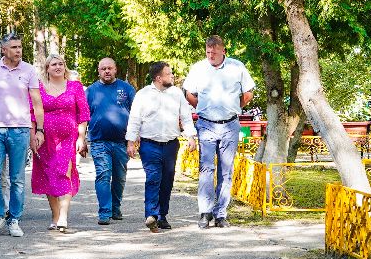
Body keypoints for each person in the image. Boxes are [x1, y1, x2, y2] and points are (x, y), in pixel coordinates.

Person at [0, 34, 45, 238]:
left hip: (20, 130)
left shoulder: (29, 70)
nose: (18, 50)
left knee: (17, 178)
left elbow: (37, 101)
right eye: (14, 47)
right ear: (3, 50)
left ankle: (14, 218)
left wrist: (39, 130)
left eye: (20, 46)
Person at [182, 34, 255, 229]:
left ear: (223, 51)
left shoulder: (237, 67)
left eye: (214, 52)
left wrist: (233, 107)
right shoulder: (198, 68)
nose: (211, 56)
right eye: (208, 52)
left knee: (226, 170)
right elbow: (189, 93)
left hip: (230, 125)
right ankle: (205, 212)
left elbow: (248, 92)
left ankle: (221, 214)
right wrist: (203, 108)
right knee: (206, 168)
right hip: (206, 124)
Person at [126, 61, 193, 232]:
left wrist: (191, 136)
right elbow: (134, 119)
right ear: (158, 78)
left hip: (171, 144)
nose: (172, 76)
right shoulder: (143, 95)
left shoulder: (177, 93)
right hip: (149, 145)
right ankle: (151, 215)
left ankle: (162, 215)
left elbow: (186, 116)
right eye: (168, 74)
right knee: (153, 178)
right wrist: (131, 142)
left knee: (167, 180)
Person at [30, 54, 91, 233]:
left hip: (68, 138)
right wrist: (33, 136)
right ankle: (55, 216)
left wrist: (81, 137)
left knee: (64, 172)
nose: (58, 67)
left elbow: (83, 113)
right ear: (47, 69)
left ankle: (63, 216)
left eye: (61, 64)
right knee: (48, 175)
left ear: (65, 67)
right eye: (53, 64)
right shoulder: (39, 88)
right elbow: (32, 114)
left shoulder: (75, 86)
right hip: (44, 138)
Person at [84, 58, 135, 225]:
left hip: (121, 142)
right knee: (103, 174)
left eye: (110, 68)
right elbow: (83, 117)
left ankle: (115, 207)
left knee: (119, 178)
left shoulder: (126, 89)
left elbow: (136, 115)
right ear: (98, 71)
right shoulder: (91, 91)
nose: (107, 71)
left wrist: (134, 139)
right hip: (99, 141)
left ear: (115, 69)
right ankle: (104, 212)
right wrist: (81, 139)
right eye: (103, 68)